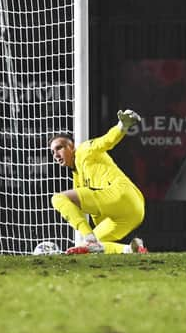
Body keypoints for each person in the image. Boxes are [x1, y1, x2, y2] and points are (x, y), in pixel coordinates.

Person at [48, 109, 148, 255]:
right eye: (52, 152)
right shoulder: (78, 178)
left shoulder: (83, 150)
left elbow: (106, 141)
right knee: (90, 247)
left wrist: (122, 126)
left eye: (59, 148)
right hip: (135, 212)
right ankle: (131, 249)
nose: (56, 155)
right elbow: (95, 209)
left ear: (72, 147)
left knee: (58, 198)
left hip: (120, 194)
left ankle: (89, 238)